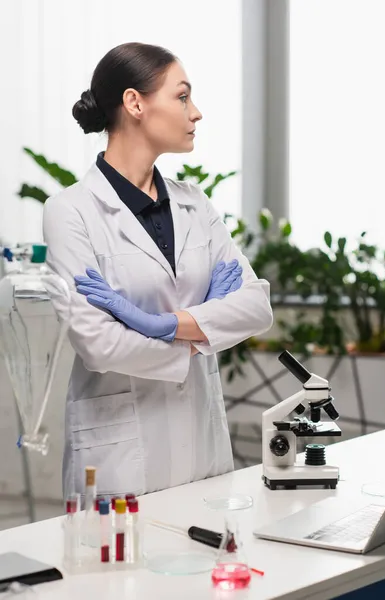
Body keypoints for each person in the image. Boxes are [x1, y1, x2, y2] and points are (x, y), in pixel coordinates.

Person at [43, 42, 273, 500]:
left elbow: (255, 306)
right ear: (135, 103)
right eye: (183, 97)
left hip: (203, 451)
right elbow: (99, 344)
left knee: (210, 564)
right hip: (119, 462)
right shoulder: (70, 211)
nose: (197, 112)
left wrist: (161, 325)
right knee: (117, 569)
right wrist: (202, 326)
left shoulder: (195, 204)